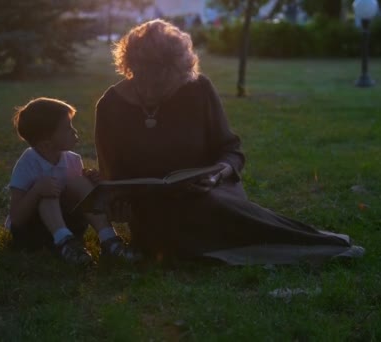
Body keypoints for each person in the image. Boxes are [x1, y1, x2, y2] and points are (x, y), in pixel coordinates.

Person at [94, 20, 364, 265]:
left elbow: (230, 150)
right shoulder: (110, 106)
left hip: (212, 192)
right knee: (173, 230)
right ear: (133, 69)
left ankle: (315, 242)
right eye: (155, 84)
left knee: (208, 208)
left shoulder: (197, 88)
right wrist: (120, 204)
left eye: (172, 84)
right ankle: (310, 245)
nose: (165, 92)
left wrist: (217, 175)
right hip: (156, 209)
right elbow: (113, 178)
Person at [6, 97, 140, 265]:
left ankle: (109, 239)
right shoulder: (27, 163)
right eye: (67, 129)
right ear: (47, 144)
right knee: (47, 191)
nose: (75, 132)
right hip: (33, 232)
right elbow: (17, 218)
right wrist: (36, 191)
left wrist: (93, 183)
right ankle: (64, 243)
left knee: (79, 182)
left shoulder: (72, 160)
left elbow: (76, 197)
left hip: (70, 226)